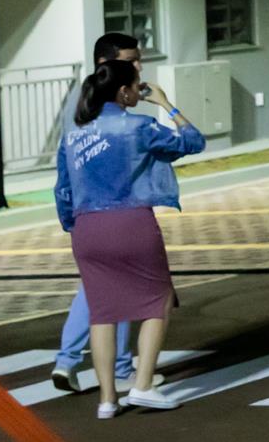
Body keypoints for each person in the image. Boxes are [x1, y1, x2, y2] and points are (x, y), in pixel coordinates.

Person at [54, 59, 205, 419]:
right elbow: (193, 141)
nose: (141, 91)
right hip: (130, 222)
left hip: (87, 228)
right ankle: (143, 384)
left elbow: (62, 189)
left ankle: (107, 400)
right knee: (158, 299)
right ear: (123, 92)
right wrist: (167, 104)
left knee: (102, 312)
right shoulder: (139, 126)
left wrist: (74, 227)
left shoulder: (73, 134)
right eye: (137, 86)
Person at [49, 32, 146, 396]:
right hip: (110, 209)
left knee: (96, 287)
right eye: (131, 60)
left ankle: (67, 360)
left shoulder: (82, 100)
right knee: (113, 289)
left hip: (84, 209)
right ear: (107, 64)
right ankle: (118, 367)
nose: (138, 66)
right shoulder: (102, 107)